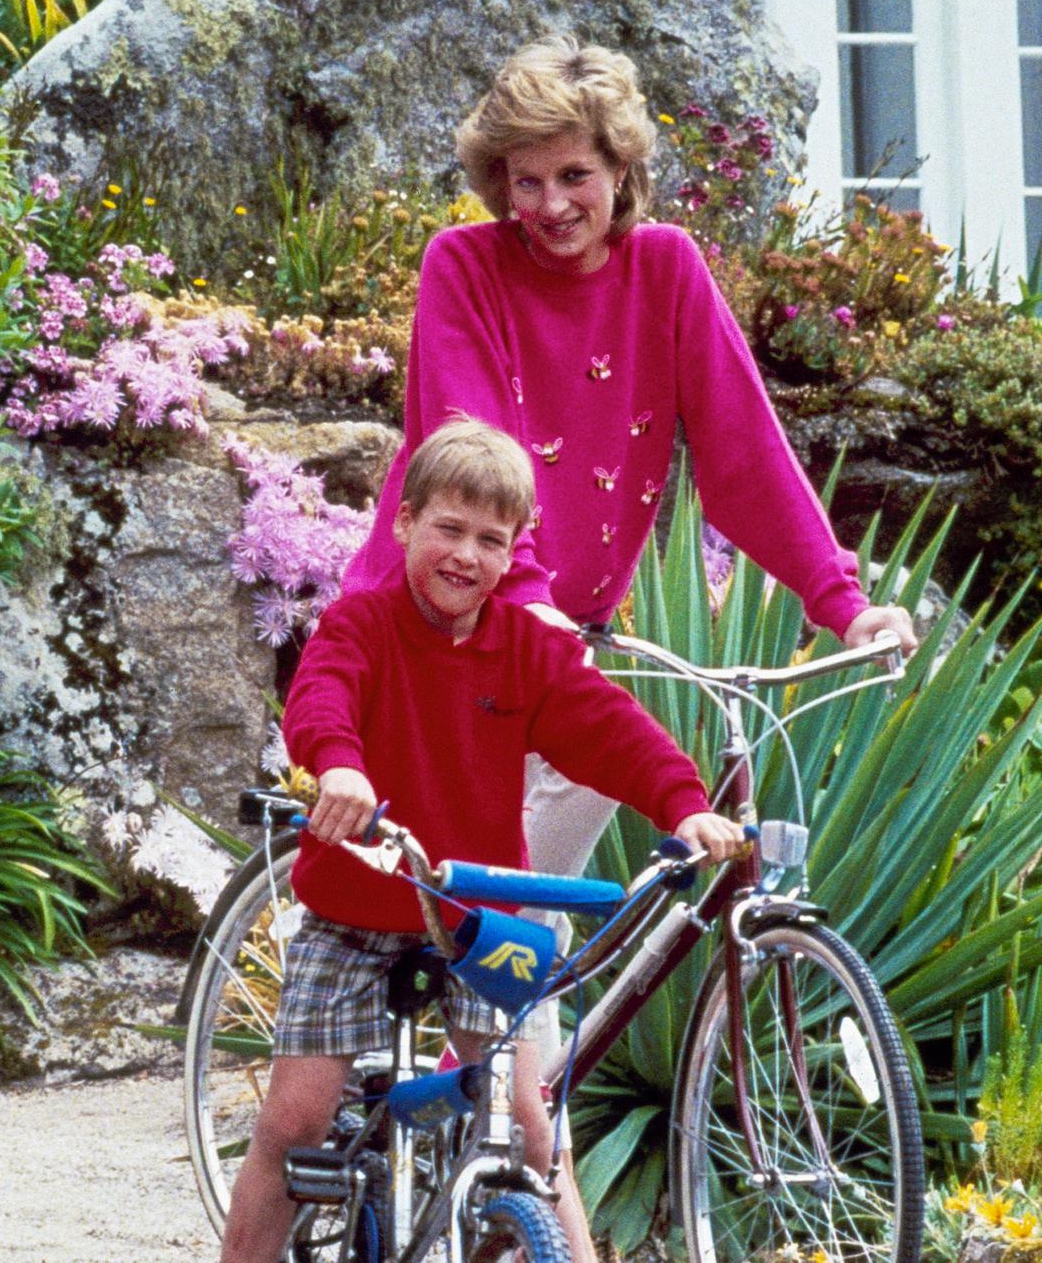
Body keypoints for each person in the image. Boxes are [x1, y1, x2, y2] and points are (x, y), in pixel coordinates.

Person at [338, 34, 917, 977]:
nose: (551, 205)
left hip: (561, 642)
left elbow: (743, 461)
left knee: (522, 917)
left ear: (622, 167)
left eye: (575, 174)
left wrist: (841, 604)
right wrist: (521, 594)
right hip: (437, 622)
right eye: (525, 182)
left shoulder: (667, 273)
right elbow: (468, 452)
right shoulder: (464, 267)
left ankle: (501, 1090)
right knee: (431, 922)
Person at [219, 418, 742, 1263]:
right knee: (292, 1126)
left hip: (471, 918)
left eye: (491, 541)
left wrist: (682, 803)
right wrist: (340, 770)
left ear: (515, 554)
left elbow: (610, 729)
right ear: (404, 524)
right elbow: (322, 700)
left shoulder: (527, 648)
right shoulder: (362, 624)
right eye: (448, 530)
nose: (465, 555)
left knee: (534, 1130)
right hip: (354, 910)